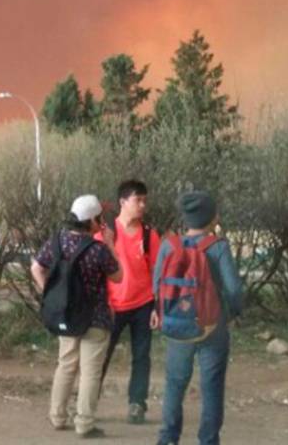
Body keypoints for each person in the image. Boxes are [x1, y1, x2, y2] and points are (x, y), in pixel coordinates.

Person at [153, 190, 244, 445]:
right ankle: (208, 440)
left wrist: (160, 311)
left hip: (176, 324)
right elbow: (233, 289)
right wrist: (234, 312)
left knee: (174, 384)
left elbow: (157, 283)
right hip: (212, 326)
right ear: (211, 217)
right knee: (212, 386)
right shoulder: (218, 246)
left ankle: (168, 438)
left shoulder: (169, 245)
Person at [33, 194, 122, 438]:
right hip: (95, 318)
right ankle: (84, 423)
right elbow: (118, 276)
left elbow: (36, 267)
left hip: (66, 315)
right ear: (92, 221)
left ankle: (57, 416)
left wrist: (52, 296)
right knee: (90, 372)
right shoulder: (98, 250)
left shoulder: (56, 242)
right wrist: (110, 243)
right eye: (99, 218)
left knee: (66, 365)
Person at [96, 180, 161, 425]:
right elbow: (96, 270)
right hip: (112, 306)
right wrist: (102, 303)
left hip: (143, 304)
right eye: (138, 200)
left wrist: (157, 307)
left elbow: (156, 272)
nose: (142, 205)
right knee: (100, 355)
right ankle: (87, 403)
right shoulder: (106, 233)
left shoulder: (149, 234)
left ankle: (137, 404)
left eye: (145, 200)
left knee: (141, 356)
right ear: (123, 202)